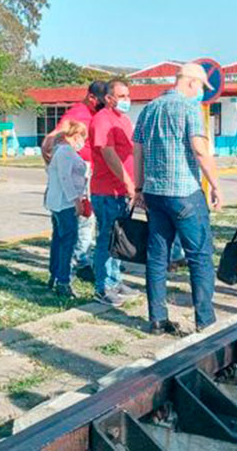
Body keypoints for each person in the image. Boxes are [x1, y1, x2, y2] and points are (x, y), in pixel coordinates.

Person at [133, 62, 223, 335]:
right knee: (199, 256)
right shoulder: (189, 108)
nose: (201, 94)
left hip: (154, 192)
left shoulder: (149, 109)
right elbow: (198, 148)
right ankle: (205, 320)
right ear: (192, 82)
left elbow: (138, 150)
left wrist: (138, 188)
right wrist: (216, 184)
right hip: (184, 192)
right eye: (201, 88)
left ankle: (157, 318)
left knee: (157, 257)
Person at [41, 81, 109, 283]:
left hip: (78, 181)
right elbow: (51, 140)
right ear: (92, 98)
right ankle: (76, 266)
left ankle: (60, 273)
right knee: (72, 232)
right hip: (69, 194)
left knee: (66, 234)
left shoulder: (95, 115)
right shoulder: (78, 115)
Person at [89, 80, 141, 306]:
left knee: (118, 239)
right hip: (107, 190)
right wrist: (127, 182)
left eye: (128, 95)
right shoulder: (102, 120)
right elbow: (108, 153)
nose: (126, 99)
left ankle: (115, 279)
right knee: (106, 239)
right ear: (108, 98)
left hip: (122, 192)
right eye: (121, 95)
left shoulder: (124, 120)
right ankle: (102, 286)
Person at [45, 120, 88, 298]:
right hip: (65, 203)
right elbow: (65, 179)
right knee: (67, 242)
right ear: (77, 136)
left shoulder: (61, 151)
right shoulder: (66, 152)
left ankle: (55, 275)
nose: (83, 142)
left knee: (59, 240)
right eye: (83, 138)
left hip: (60, 202)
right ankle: (63, 280)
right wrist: (76, 200)